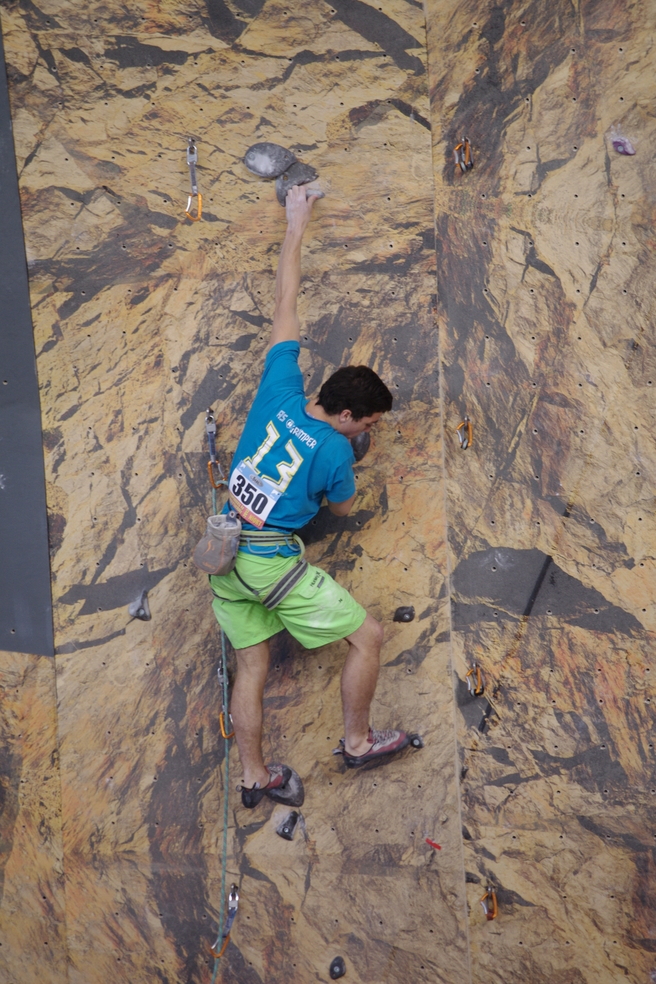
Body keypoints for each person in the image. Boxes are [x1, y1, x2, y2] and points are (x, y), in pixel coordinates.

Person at [210, 184, 414, 809]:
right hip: (268, 560)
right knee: (368, 636)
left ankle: (255, 777)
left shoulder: (280, 383)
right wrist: (351, 461)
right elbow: (341, 510)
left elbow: (285, 301)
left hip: (224, 549)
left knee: (252, 665)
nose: (368, 431)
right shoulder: (335, 452)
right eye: (368, 424)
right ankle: (357, 742)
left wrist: (295, 221)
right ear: (347, 415)